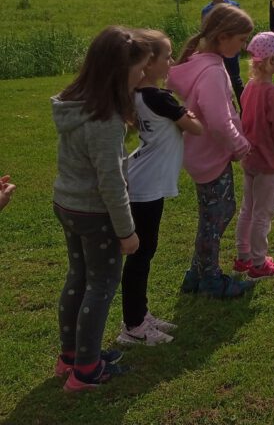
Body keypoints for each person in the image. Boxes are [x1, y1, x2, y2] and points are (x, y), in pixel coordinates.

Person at [52, 26, 148, 391]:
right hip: (94, 214)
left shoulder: (75, 104)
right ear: (118, 71)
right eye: (138, 69)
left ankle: (71, 356)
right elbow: (111, 183)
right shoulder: (105, 120)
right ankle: (87, 370)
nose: (142, 75)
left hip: (67, 204)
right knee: (102, 284)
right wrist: (127, 232)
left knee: (78, 276)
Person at [117, 29, 203, 346]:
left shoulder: (140, 94)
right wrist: (189, 114)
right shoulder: (159, 97)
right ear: (148, 63)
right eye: (167, 57)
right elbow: (196, 127)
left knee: (143, 253)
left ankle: (139, 315)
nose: (171, 61)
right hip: (147, 185)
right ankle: (134, 325)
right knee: (142, 254)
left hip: (143, 179)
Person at [168, 3, 255, 298]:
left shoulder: (201, 62)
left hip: (201, 153)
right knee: (216, 217)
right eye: (241, 40)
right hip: (210, 156)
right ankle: (211, 279)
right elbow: (218, 121)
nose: (243, 47)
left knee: (214, 215)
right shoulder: (212, 72)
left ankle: (196, 273)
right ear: (222, 36)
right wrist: (240, 146)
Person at [234, 32, 274, 280]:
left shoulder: (249, 88)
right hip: (268, 164)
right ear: (271, 61)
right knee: (262, 213)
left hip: (249, 159)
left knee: (248, 209)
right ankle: (259, 263)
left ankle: (244, 257)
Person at [201, 0, 245, 106]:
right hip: (216, 50)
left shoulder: (233, 6)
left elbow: (241, 25)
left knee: (235, 79)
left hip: (231, 49)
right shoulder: (207, 11)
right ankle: (230, 109)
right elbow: (205, 31)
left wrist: (241, 41)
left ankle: (245, 108)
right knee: (222, 80)